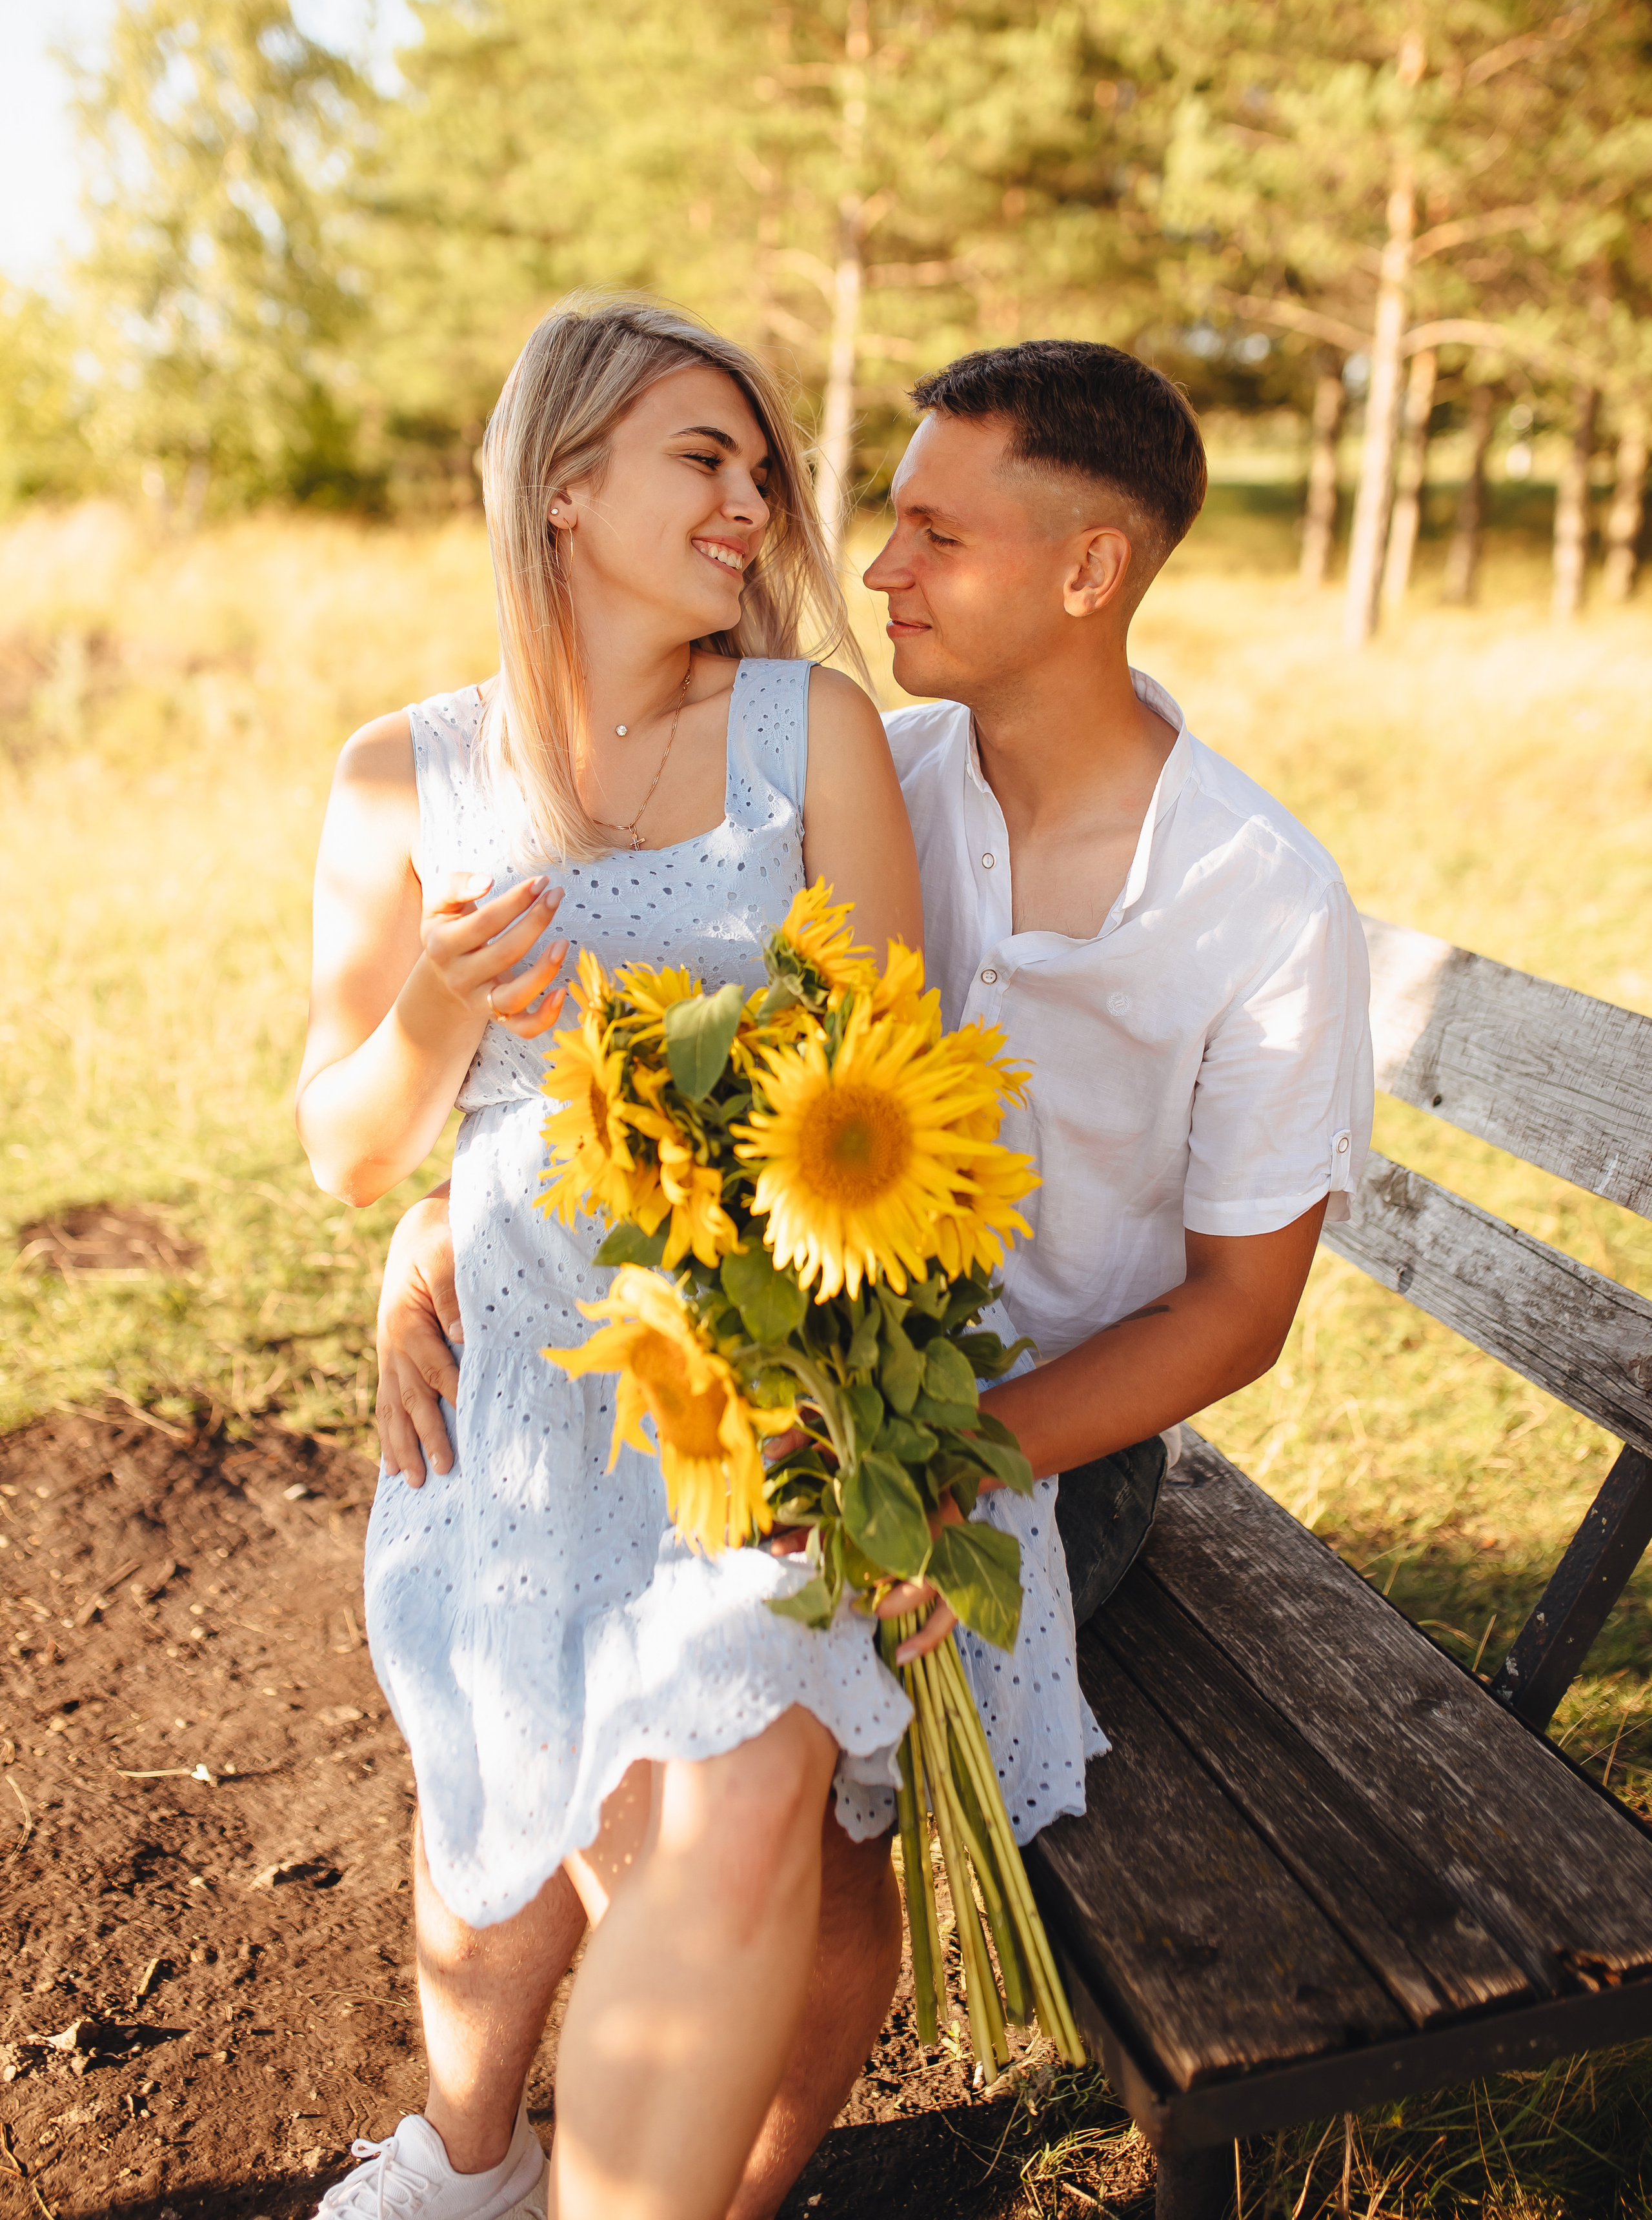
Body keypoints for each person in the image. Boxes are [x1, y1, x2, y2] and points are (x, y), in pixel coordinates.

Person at [372, 338, 1375, 2218]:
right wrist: (438, 1232)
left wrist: (942, 1461)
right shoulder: (864, 760)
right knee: (668, 1741)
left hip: (1035, 1439)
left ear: (1088, 573)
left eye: (936, 532)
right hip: (768, 1379)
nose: (872, 563)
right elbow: (625, 1049)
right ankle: (496, 2150)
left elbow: (1239, 1317)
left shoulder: (1260, 905)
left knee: (749, 1789)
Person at [294, 297, 1100, 2220]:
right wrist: (432, 1013)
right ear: (563, 489)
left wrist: (892, 1460)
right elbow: (344, 1144)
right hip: (532, 1386)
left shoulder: (804, 727)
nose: (756, 505)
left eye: (765, 470)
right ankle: (478, 2166)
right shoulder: (401, 777)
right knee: (533, 1787)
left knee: (745, 1824)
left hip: (789, 1372)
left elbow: (892, 1076)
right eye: (702, 460)